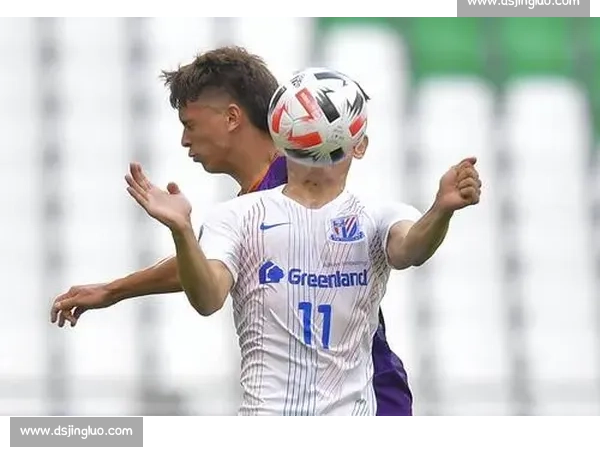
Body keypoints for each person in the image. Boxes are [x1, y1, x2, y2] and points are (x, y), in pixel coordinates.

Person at [51, 46, 410, 416]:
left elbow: (204, 270)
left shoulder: (296, 182)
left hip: (365, 399)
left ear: (232, 117)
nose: (184, 140)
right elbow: (210, 264)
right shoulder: (257, 202)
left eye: (189, 124)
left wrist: (114, 290)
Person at [121, 71, 482, 415]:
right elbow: (208, 298)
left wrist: (441, 210)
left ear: (360, 146)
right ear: (282, 137)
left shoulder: (378, 215)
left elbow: (410, 250)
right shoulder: (235, 216)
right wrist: (182, 231)